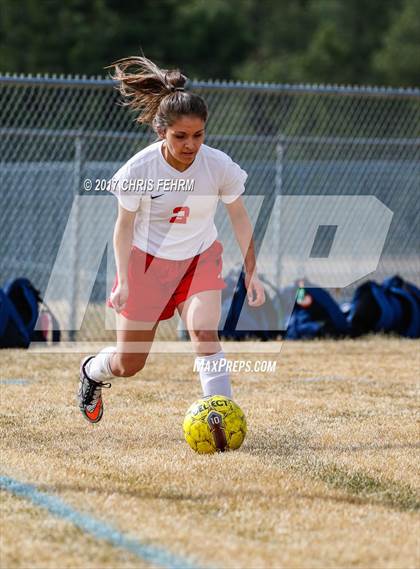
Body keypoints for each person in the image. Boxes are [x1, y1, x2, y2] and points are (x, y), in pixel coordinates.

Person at [78, 55, 266, 423]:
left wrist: (252, 272)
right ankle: (92, 371)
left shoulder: (218, 166)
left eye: (198, 135)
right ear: (161, 131)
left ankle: (222, 421)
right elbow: (123, 228)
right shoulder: (139, 170)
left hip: (199, 260)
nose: (190, 144)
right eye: (180, 136)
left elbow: (240, 218)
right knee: (128, 363)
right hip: (146, 265)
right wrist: (124, 281)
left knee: (203, 332)